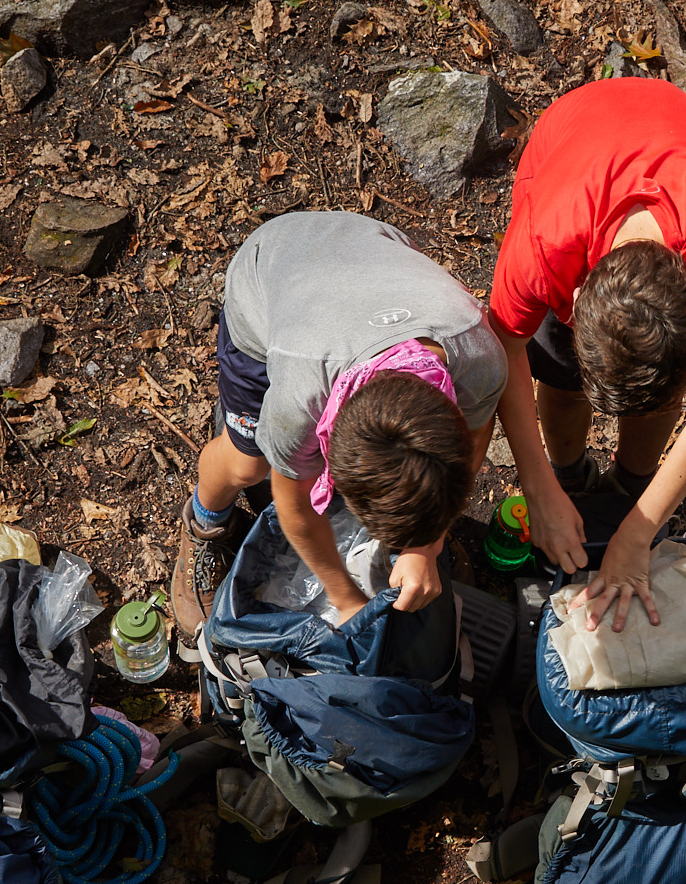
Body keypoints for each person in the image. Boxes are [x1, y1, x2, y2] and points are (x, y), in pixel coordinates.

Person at [487, 77, 686, 631]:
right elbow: (505, 348)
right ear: (575, 297)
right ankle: (569, 475)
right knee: (559, 382)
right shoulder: (544, 244)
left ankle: (628, 486)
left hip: (685, 138)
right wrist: (538, 487)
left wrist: (637, 531)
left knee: (649, 405)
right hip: (576, 131)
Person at [170, 210, 505, 640]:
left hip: (373, 252)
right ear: (328, 445)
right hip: (270, 269)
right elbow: (294, 504)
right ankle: (203, 523)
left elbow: (476, 436)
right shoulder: (302, 398)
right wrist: (345, 598)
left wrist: (426, 544)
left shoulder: (476, 354)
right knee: (247, 464)